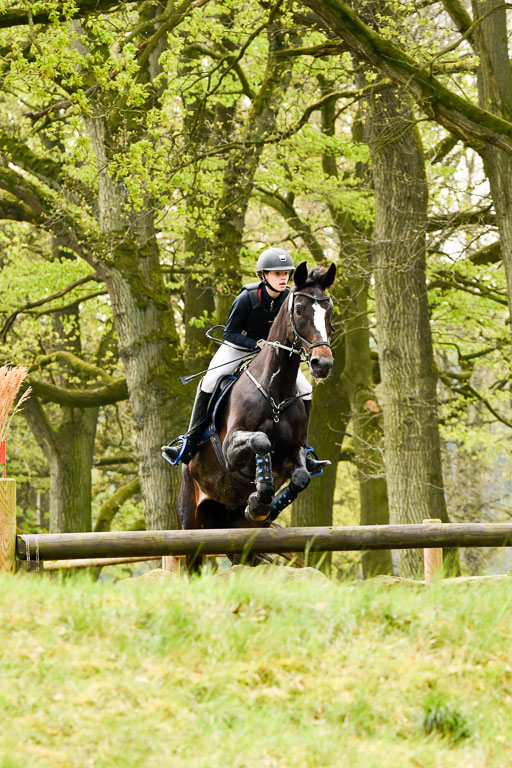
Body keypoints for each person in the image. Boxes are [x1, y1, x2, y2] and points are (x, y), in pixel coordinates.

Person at [162, 247, 329, 473]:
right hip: (239, 347)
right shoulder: (246, 298)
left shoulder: (291, 300)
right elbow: (229, 333)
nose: (283, 279)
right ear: (264, 276)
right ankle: (189, 442)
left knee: (306, 388)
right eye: (277, 274)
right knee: (209, 381)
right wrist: (256, 345)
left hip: (272, 354)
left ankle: (304, 450)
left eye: (286, 274)